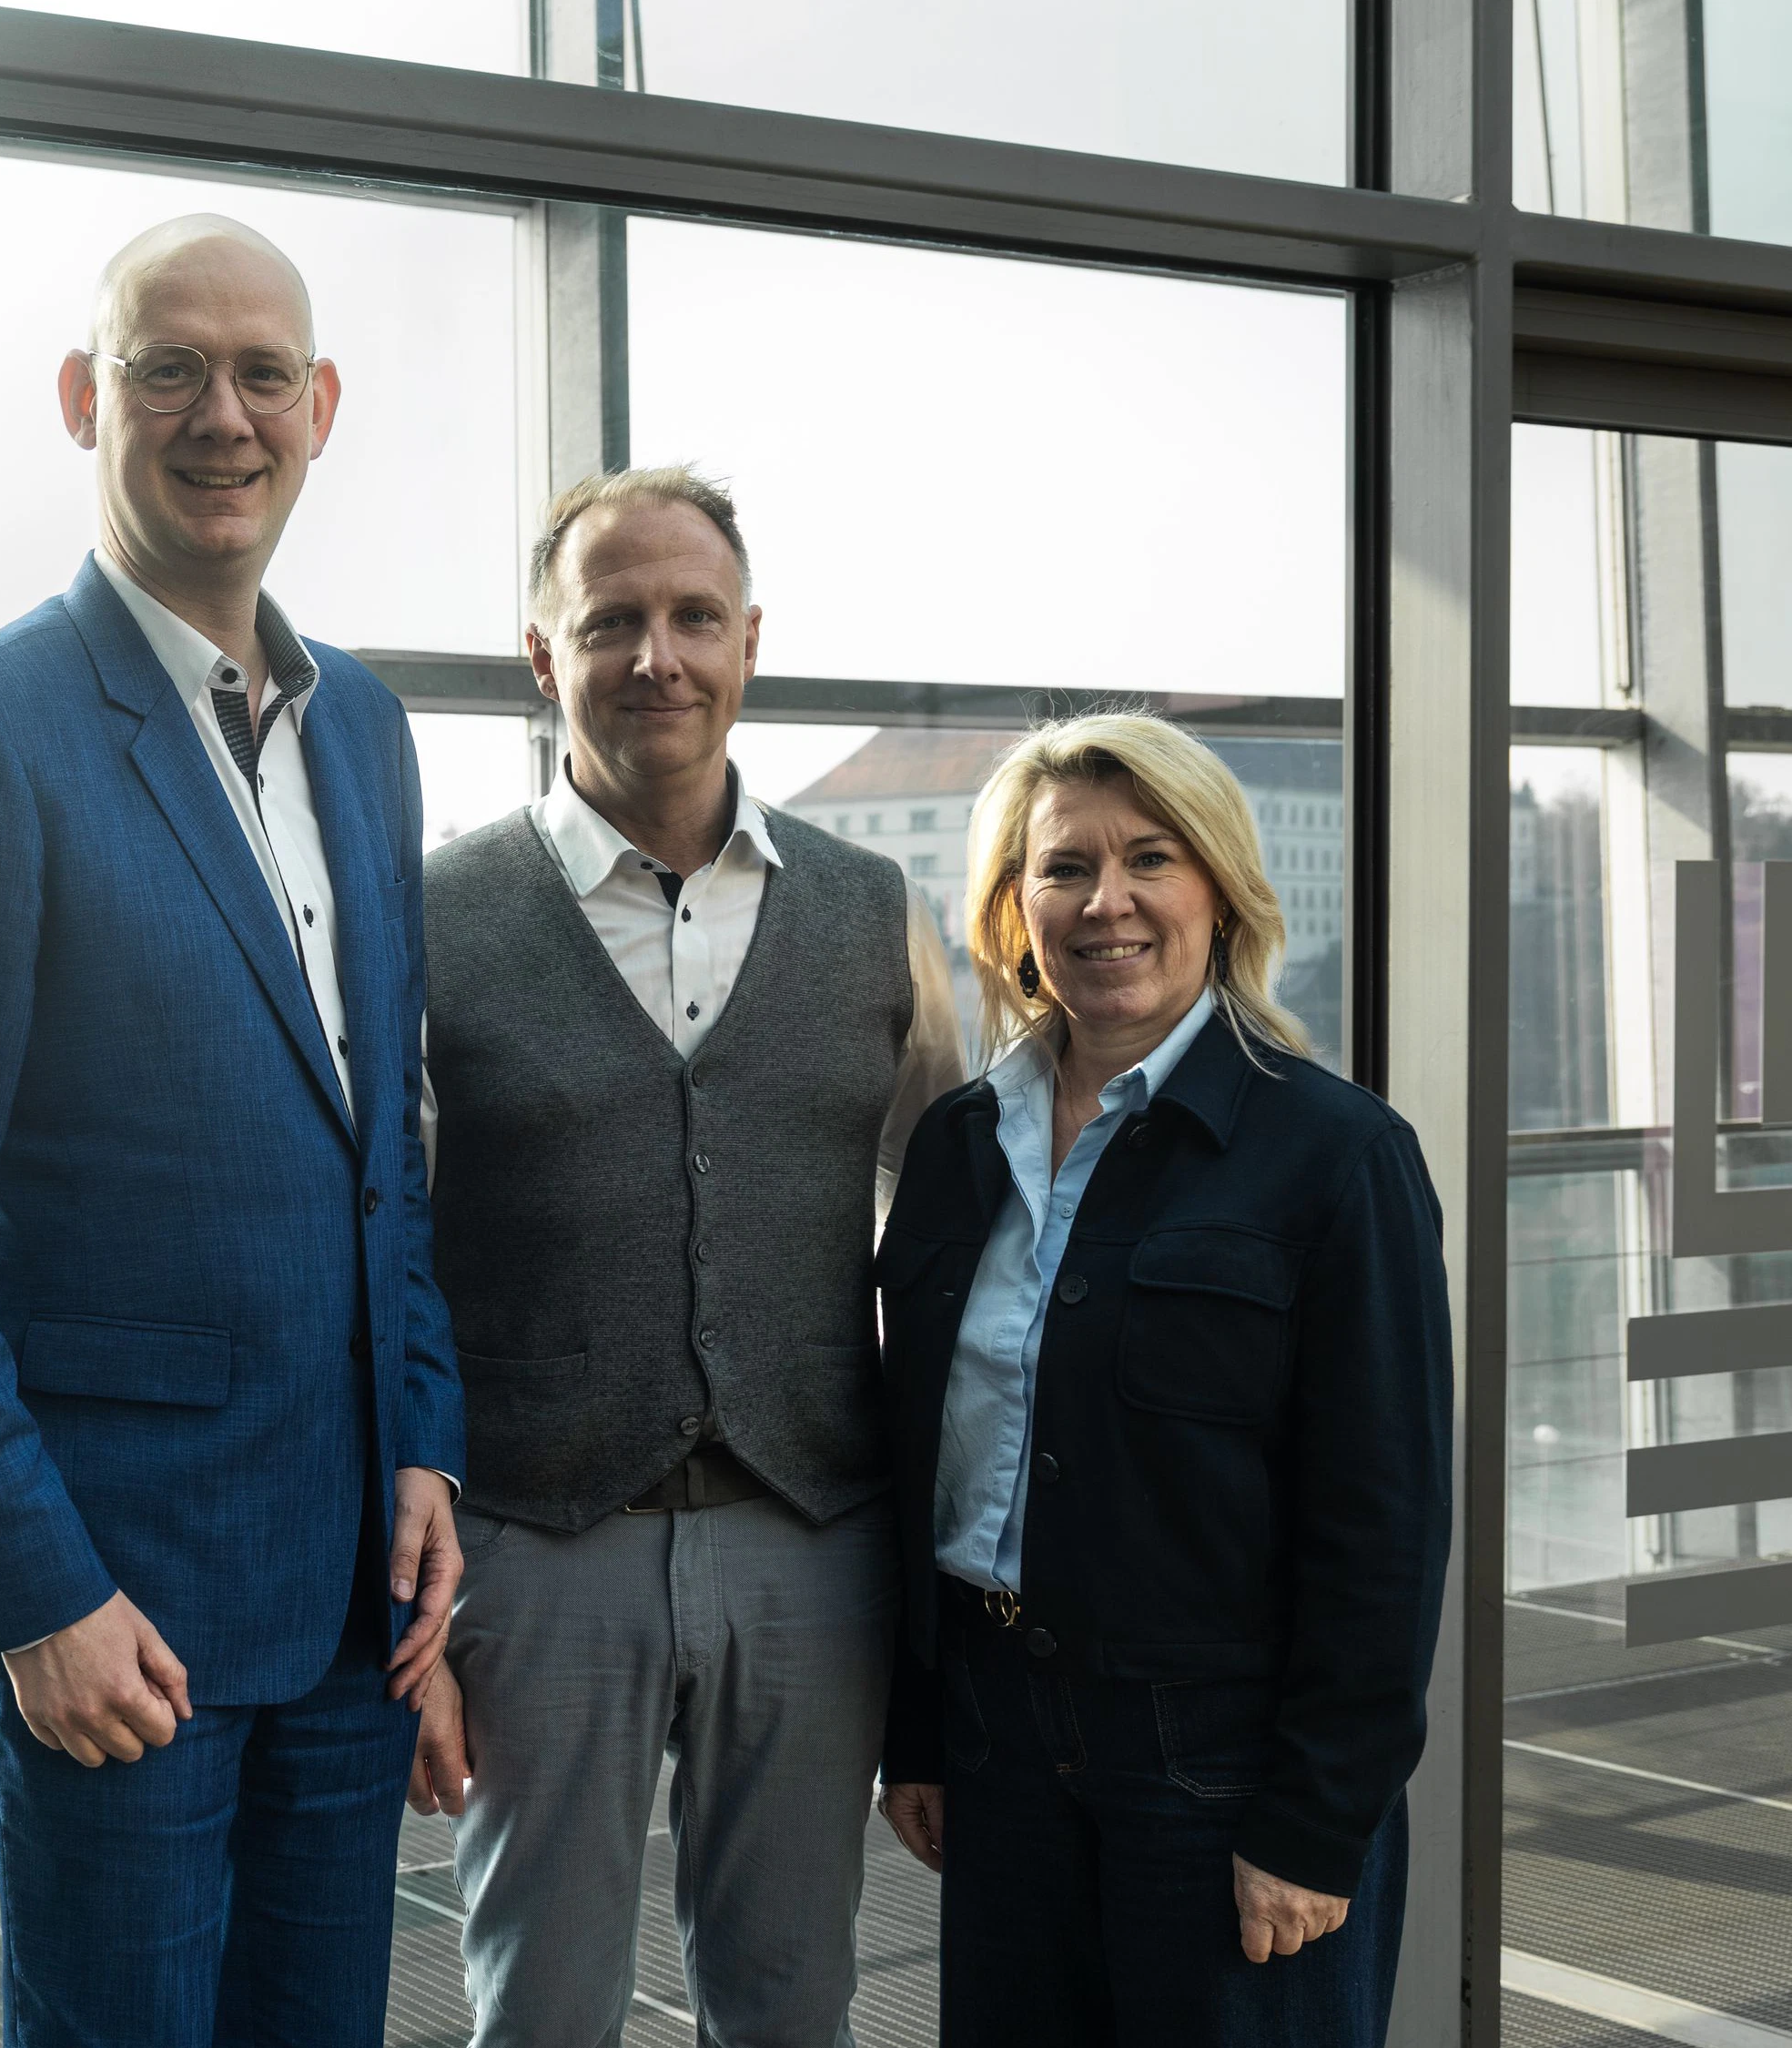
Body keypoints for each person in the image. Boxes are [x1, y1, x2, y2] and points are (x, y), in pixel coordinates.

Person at [0, 215, 463, 2048]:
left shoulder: (368, 731)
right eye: (167, 370)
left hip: (352, 1604)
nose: (220, 415)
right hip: (123, 1620)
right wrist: (36, 1597)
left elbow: (387, 1149)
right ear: (81, 400)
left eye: (261, 375)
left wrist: (424, 1439)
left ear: (320, 406)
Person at [404, 465, 962, 2043]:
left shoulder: (872, 909)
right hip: (535, 1547)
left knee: (792, 2004)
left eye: (696, 617)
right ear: (543, 655)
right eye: (614, 621)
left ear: (750, 642)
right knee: (542, 2007)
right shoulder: (430, 917)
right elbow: (378, 1272)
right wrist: (404, 1621)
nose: (660, 656)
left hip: (813, 1544)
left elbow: (948, 1225)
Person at [872, 713, 1451, 2046]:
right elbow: (918, 1460)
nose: (1107, 902)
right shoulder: (958, 1148)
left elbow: (1386, 1523)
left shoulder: (1337, 1156)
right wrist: (922, 1732)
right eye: (1065, 867)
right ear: (1016, 908)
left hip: (1226, 1762)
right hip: (997, 1740)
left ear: (1221, 893)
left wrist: (1315, 1821)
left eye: (1151, 858)